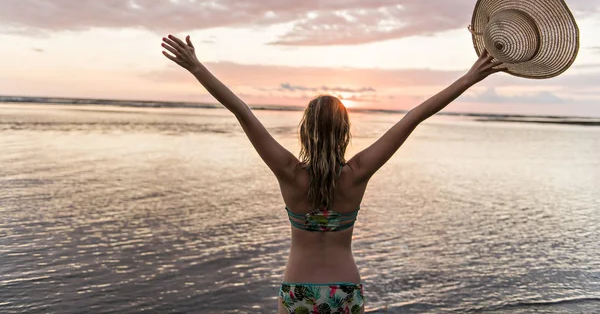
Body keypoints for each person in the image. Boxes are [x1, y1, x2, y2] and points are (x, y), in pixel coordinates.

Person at [160, 34, 505, 313]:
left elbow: (241, 111)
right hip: (345, 289)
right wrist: (470, 77)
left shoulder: (289, 173)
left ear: (305, 130)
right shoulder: (357, 173)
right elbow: (414, 116)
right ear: (345, 132)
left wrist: (197, 68)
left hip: (297, 291)